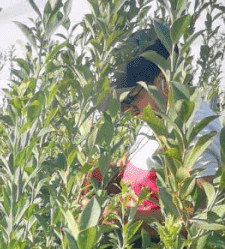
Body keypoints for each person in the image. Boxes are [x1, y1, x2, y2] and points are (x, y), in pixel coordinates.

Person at [91, 24, 221, 229]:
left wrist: (125, 219)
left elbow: (198, 220)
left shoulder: (195, 128)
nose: (126, 110)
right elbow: (139, 168)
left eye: (131, 97)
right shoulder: (156, 116)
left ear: (163, 82)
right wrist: (101, 175)